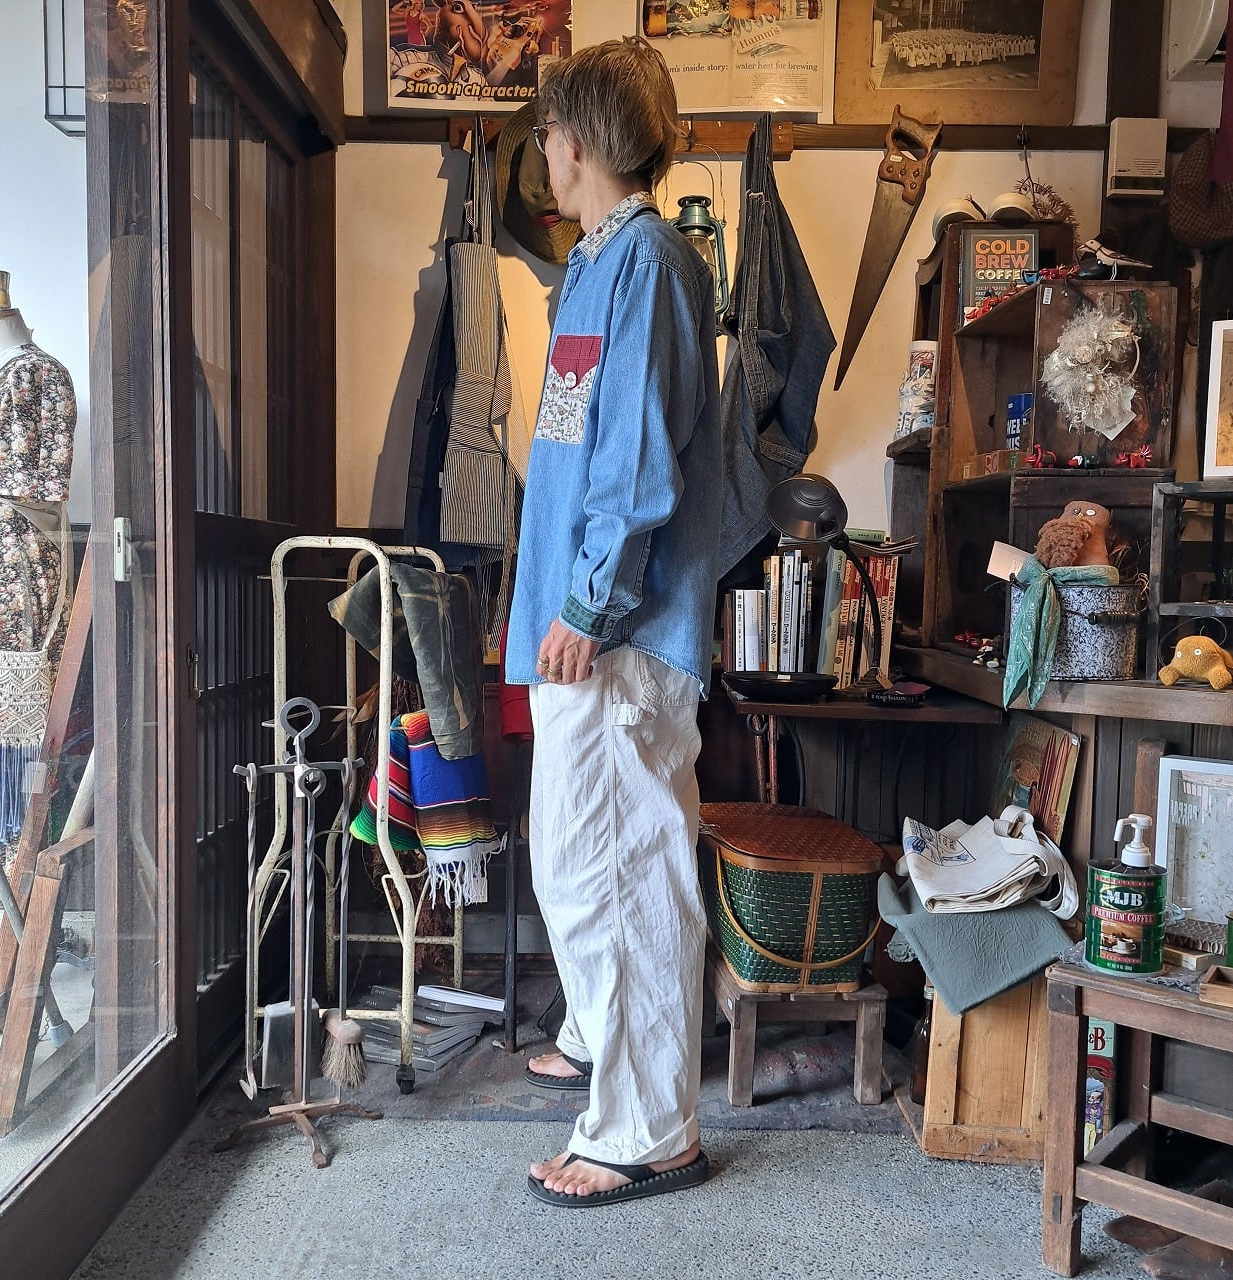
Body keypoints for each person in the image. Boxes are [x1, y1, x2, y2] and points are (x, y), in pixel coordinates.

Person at [502, 37, 721, 1206]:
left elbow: (634, 459)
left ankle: (645, 1128)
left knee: (621, 866)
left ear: (574, 139)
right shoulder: (594, 265)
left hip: (617, 627)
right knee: (578, 858)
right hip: (580, 623)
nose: (543, 151)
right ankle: (607, 1044)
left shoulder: (648, 260)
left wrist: (590, 599)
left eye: (546, 131)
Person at [0, 272, 75, 901]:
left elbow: (40, 485)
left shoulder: (40, 375)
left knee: (9, 715)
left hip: (11, 563)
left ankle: (10, 869)